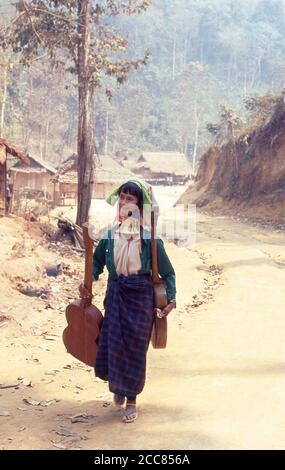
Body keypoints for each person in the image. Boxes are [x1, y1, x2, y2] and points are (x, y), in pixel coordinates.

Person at [80, 178, 176, 423]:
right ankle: (118, 388)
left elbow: (168, 273)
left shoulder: (150, 240)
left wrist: (170, 299)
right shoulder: (110, 235)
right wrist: (88, 280)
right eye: (121, 197)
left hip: (140, 298)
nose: (124, 202)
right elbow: (97, 262)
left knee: (134, 350)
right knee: (112, 343)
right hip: (115, 295)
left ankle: (131, 400)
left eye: (130, 199)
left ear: (139, 206)